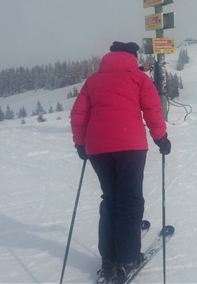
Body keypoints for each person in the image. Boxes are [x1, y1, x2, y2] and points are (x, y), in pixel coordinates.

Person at [71, 41, 171, 282]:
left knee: (111, 199)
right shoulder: (138, 78)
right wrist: (161, 138)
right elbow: (152, 109)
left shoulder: (93, 81)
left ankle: (108, 259)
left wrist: (80, 144)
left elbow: (79, 115)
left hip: (98, 149)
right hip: (130, 147)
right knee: (130, 201)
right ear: (132, 57)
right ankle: (127, 258)